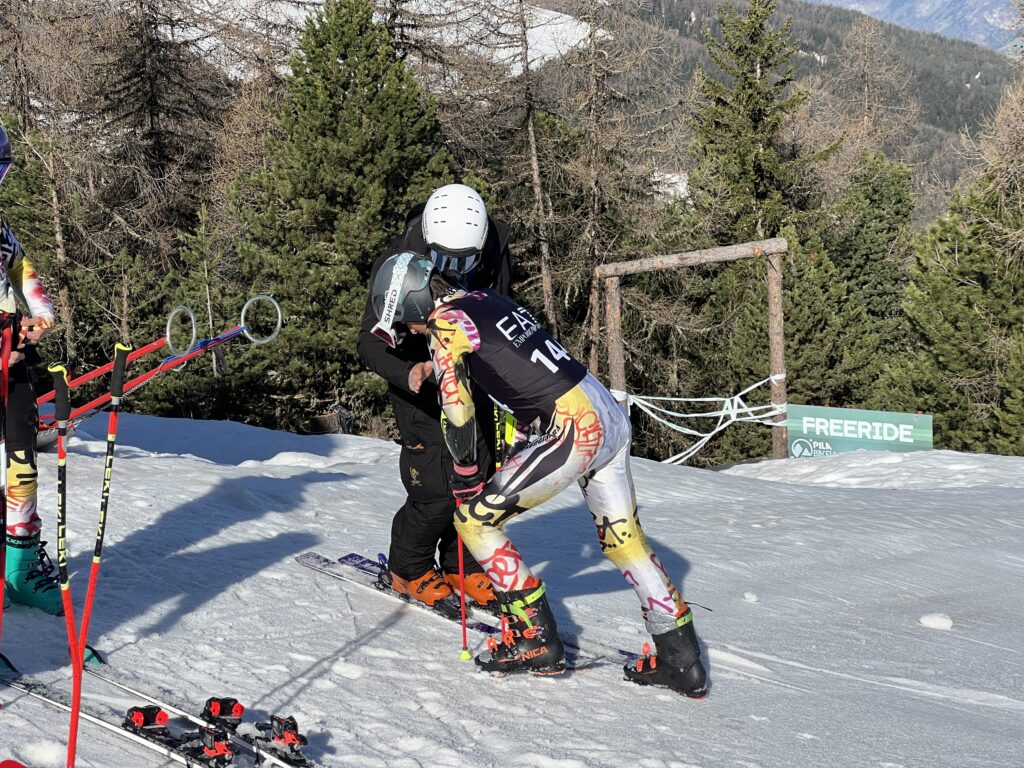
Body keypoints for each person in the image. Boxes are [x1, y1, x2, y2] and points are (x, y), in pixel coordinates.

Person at [369, 253, 708, 698]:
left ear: (412, 304)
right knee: (623, 541)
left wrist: (467, 474)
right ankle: (681, 659)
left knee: (473, 518)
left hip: (574, 425)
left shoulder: (444, 323)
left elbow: (457, 407)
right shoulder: (484, 298)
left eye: (402, 321)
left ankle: (534, 638)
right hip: (607, 411)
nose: (408, 331)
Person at [357, 183, 512, 612]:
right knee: (437, 489)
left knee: (478, 478)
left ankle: (461, 564)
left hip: (472, 377)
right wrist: (408, 371)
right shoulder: (397, 264)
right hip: (420, 384)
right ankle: (408, 567)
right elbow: (369, 342)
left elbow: (501, 304)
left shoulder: (495, 248)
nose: (455, 270)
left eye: (466, 261)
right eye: (444, 260)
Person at [0, 124, 60, 615]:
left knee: (23, 458)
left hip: (12, 361)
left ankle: (18, 572)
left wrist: (39, 314)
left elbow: (22, 268)